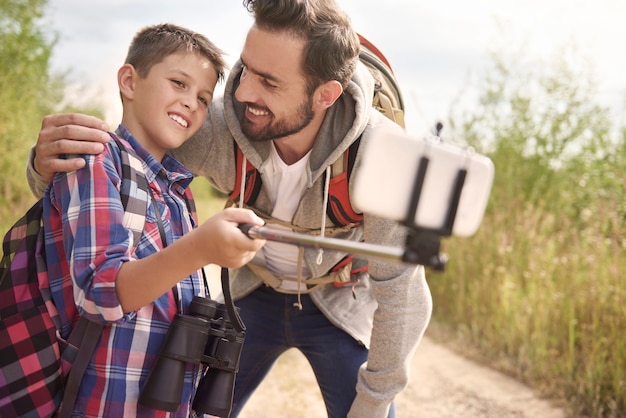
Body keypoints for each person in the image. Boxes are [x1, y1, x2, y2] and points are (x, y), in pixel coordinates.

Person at [27, 1, 433, 417]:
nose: (241, 94)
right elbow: (121, 164)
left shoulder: (383, 159)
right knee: (194, 403)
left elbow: (403, 293)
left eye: (269, 83)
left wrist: (373, 403)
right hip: (252, 295)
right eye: (246, 70)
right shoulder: (218, 126)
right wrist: (44, 166)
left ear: (325, 94)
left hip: (338, 301)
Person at [39, 23, 265, 417]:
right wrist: (199, 249)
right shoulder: (95, 159)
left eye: (202, 97)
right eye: (178, 83)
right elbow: (100, 292)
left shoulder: (179, 193)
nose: (192, 103)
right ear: (129, 80)